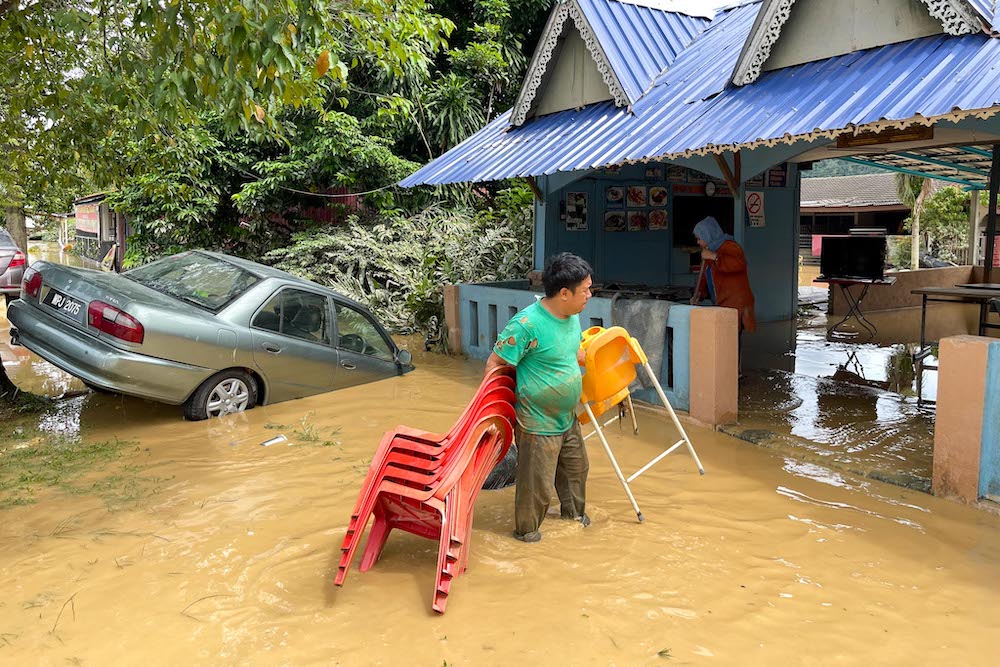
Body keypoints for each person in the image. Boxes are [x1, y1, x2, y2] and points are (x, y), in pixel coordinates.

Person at [485, 252, 593, 542]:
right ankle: (527, 536)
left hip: (567, 417)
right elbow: (496, 364)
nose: (590, 295)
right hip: (536, 422)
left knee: (576, 472)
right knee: (537, 488)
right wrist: (494, 415)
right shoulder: (525, 325)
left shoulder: (571, 316)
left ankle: (575, 521)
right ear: (564, 293)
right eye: (585, 290)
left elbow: (571, 352)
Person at [690, 216, 756, 356]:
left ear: (707, 235)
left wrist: (714, 257)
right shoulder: (710, 251)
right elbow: (706, 278)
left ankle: (735, 373)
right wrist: (699, 294)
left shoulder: (730, 247)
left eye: (699, 238)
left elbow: (737, 265)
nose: (698, 242)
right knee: (726, 341)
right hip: (724, 304)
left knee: (733, 341)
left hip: (737, 304)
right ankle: (727, 370)